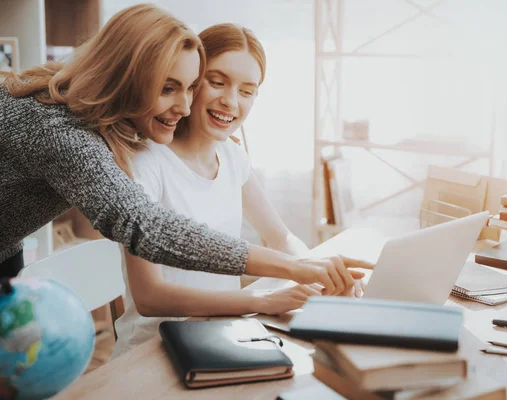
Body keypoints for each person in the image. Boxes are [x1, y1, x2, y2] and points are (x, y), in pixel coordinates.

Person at [0, 4, 371, 292]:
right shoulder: (58, 129)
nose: (185, 106)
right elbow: (146, 226)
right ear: (124, 77)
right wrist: (292, 267)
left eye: (191, 87)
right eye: (167, 88)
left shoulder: (102, 114)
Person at [114, 23, 356, 356]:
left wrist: (321, 271)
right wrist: (260, 300)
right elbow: (149, 298)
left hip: (224, 335)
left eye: (247, 90)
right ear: (193, 80)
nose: (230, 101)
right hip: (154, 351)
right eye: (217, 82)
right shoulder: (146, 166)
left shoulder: (232, 156)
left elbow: (281, 237)